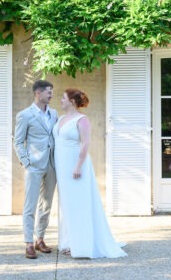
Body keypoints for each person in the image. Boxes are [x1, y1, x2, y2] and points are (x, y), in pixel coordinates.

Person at [54, 89, 126, 259]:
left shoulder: (82, 120)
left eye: (63, 98)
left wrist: (78, 166)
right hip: (61, 166)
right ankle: (70, 241)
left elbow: (85, 144)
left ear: (72, 101)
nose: (61, 100)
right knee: (67, 205)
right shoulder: (61, 119)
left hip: (76, 167)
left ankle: (81, 244)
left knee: (79, 204)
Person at [14, 80, 58, 259]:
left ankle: (40, 239)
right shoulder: (25, 115)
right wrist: (26, 162)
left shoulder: (54, 114)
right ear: (38, 93)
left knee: (46, 204)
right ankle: (28, 243)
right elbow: (18, 141)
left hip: (51, 164)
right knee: (30, 205)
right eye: (49, 92)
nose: (51, 95)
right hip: (34, 165)